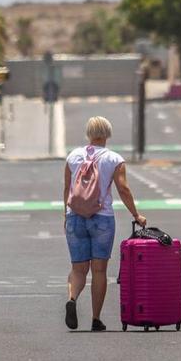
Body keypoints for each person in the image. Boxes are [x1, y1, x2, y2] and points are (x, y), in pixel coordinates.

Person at [63, 116, 147, 331]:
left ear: (88, 134)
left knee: (78, 269)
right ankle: (95, 319)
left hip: (75, 216)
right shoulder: (113, 159)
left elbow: (67, 190)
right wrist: (136, 214)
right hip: (102, 218)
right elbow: (123, 189)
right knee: (99, 270)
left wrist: (67, 215)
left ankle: (72, 299)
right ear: (107, 134)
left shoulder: (73, 156)